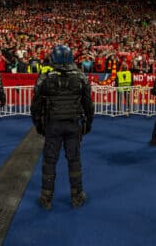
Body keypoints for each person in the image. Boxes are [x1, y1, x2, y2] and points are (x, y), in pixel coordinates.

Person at [30, 45, 94, 210]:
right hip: (73, 123)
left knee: (50, 161)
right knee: (74, 161)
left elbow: (36, 104)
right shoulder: (80, 76)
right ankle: (77, 195)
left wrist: (38, 124)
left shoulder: (46, 77)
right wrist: (88, 123)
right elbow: (88, 104)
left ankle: (46, 197)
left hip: (53, 124)